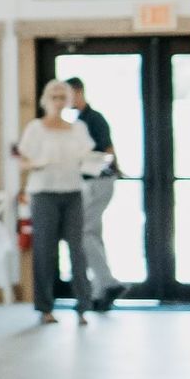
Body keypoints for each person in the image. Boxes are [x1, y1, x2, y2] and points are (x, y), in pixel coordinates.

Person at [16, 81, 94, 325]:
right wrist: (38, 163)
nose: (59, 101)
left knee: (77, 250)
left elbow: (88, 156)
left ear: (69, 100)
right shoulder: (35, 129)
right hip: (44, 193)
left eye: (63, 97)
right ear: (45, 99)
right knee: (45, 250)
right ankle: (45, 307)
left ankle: (83, 306)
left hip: (72, 192)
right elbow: (21, 159)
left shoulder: (78, 128)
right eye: (54, 97)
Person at [64, 77, 119, 312]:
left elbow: (108, 150)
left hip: (98, 181)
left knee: (84, 231)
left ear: (77, 92)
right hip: (94, 181)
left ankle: (107, 282)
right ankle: (100, 291)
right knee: (93, 233)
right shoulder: (81, 121)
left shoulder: (92, 119)